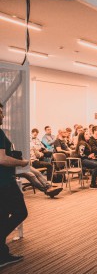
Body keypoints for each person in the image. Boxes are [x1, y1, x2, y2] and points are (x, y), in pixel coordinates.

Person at [0, 102, 30, 267]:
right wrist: (21, 162)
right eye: (0, 112)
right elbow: (2, 159)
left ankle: (2, 255)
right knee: (20, 212)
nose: (3, 116)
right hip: (4, 183)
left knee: (2, 216)